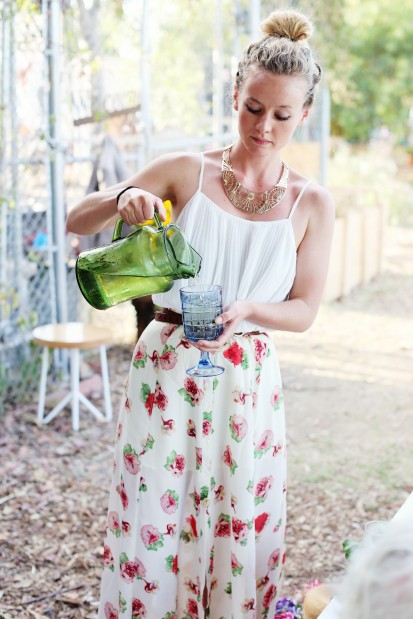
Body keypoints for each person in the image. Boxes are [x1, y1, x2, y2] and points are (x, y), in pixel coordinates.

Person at [66, 8, 335, 618]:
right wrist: (122, 196)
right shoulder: (186, 170)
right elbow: (75, 221)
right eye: (253, 108)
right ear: (235, 95)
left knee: (236, 525)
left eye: (282, 115)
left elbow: (305, 310)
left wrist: (247, 312)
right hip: (166, 372)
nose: (264, 125)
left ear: (304, 115)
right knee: (156, 522)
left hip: (246, 381)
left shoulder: (311, 202)